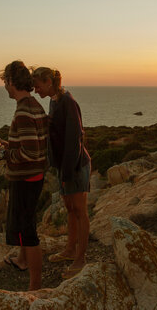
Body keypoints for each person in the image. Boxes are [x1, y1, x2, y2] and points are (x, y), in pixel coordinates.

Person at [0, 60, 48, 291]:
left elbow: (30, 152)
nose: (5, 86)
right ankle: (23, 261)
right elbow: (32, 143)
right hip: (34, 177)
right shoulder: (34, 105)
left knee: (28, 231)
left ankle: (35, 287)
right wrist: (8, 143)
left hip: (26, 179)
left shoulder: (24, 111)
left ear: (12, 82)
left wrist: (3, 152)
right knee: (26, 226)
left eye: (5, 81)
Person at [32, 66, 91, 280]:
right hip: (64, 166)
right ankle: (69, 250)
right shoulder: (54, 100)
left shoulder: (68, 102)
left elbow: (74, 142)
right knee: (69, 209)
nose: (35, 90)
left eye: (38, 86)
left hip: (76, 166)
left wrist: (67, 174)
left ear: (49, 81)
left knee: (79, 211)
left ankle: (81, 259)